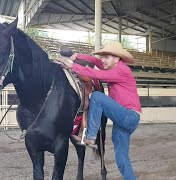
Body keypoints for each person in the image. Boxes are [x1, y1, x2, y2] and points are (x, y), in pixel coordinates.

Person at [58, 42, 141, 180]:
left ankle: (90, 137)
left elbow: (94, 73)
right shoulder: (112, 66)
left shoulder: (121, 70)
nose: (102, 60)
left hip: (128, 116)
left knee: (96, 97)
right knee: (121, 160)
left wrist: (72, 65)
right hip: (122, 119)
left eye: (106, 57)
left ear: (117, 58)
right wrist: (76, 55)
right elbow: (95, 61)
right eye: (102, 57)